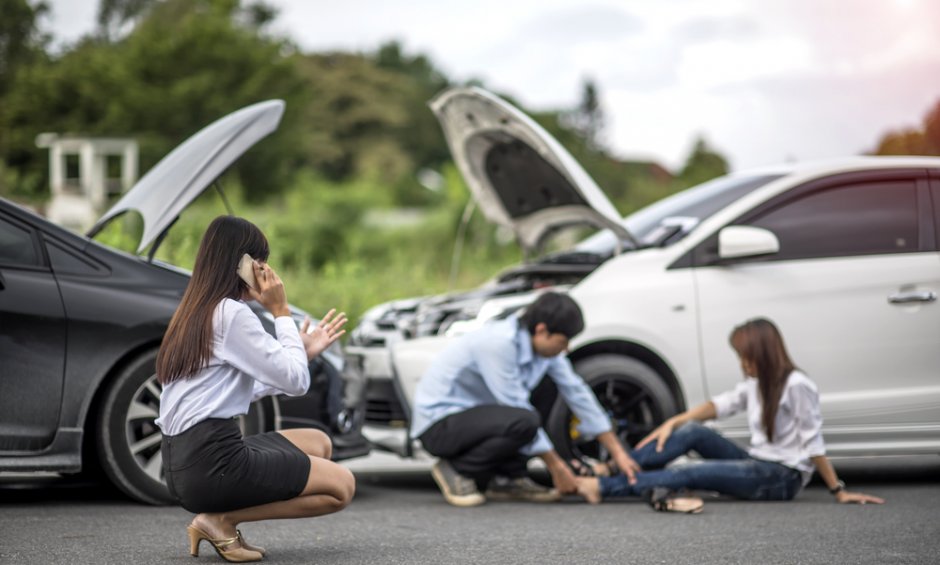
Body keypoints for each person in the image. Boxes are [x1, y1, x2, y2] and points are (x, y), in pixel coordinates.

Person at [155, 216, 354, 562]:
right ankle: (220, 520)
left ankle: (217, 518)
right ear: (241, 264)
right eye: (259, 261)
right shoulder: (232, 314)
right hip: (212, 463)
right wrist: (281, 312)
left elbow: (238, 388)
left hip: (184, 460)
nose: (266, 270)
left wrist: (301, 351)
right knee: (342, 487)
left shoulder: (196, 309)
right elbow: (296, 383)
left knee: (318, 442)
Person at [575, 317, 885, 512]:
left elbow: (813, 443)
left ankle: (603, 486)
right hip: (757, 462)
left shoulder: (796, 385)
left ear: (762, 355)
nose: (741, 364)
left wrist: (838, 490)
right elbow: (717, 406)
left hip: (780, 478)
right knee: (693, 432)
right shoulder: (757, 383)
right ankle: (610, 468)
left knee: (690, 472)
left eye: (744, 357)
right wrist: (674, 422)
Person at [411, 291, 641, 507]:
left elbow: (577, 392)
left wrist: (618, 453)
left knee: (548, 390)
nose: (566, 348)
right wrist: (557, 467)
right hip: (439, 425)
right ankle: (456, 469)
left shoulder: (543, 352)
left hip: (477, 418)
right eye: (563, 341)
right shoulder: (497, 343)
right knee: (525, 419)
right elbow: (515, 405)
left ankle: (507, 478)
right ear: (542, 330)